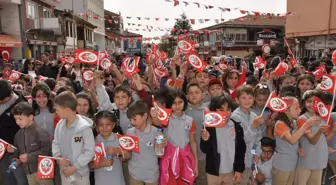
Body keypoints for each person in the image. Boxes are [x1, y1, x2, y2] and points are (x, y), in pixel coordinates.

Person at [152, 89, 198, 185]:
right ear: (169, 104)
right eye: (174, 103)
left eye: (180, 102)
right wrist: (154, 116)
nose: (177, 106)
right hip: (169, 160)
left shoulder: (190, 120)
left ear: (185, 102)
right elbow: (156, 122)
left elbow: (193, 141)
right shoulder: (166, 118)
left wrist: (196, 163)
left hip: (185, 159)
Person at [272, 96, 320, 185]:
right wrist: (306, 124)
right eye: (296, 108)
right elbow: (292, 140)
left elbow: (296, 140)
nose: (299, 110)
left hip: (291, 164)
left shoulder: (293, 123)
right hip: (282, 165)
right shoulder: (280, 124)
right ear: (286, 110)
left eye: (299, 107)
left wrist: (299, 147)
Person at [52, 91, 95, 185]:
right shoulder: (60, 125)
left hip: (81, 176)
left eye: (57, 109)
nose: (56, 112)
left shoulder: (85, 128)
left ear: (66, 110)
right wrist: (58, 157)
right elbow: (56, 143)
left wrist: (74, 167)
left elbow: (89, 151)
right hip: (65, 173)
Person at [201, 95, 245, 185]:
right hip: (213, 172)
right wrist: (206, 139)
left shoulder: (237, 127)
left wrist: (239, 169)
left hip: (231, 172)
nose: (225, 113)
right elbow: (204, 149)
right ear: (214, 111)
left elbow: (241, 150)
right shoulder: (209, 127)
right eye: (221, 110)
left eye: (228, 109)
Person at [8, 102, 53, 185]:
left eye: (20, 119)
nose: (17, 122)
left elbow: (48, 149)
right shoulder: (18, 134)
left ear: (30, 117)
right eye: (16, 119)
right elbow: (18, 151)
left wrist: (29, 157)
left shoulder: (39, 131)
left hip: (43, 172)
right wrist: (14, 156)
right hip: (29, 174)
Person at [230, 85, 264, 185]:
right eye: (243, 98)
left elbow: (258, 137)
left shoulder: (254, 116)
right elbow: (243, 140)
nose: (247, 100)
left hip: (251, 160)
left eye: (250, 97)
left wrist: (257, 152)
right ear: (237, 100)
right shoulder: (235, 117)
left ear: (254, 99)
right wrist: (253, 126)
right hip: (239, 162)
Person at [294, 90, 329, 185]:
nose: (312, 104)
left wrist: (332, 131)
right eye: (309, 101)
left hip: (319, 159)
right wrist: (320, 132)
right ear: (304, 103)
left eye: (315, 101)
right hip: (305, 160)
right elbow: (312, 140)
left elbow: (324, 139)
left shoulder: (324, 118)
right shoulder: (303, 119)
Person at [123, 100, 161, 185]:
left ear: (144, 116)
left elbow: (160, 155)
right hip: (134, 174)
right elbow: (128, 154)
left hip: (151, 175)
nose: (132, 122)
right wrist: (123, 154)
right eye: (130, 119)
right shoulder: (129, 132)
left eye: (134, 119)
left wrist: (159, 146)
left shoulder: (156, 132)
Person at [0, 79, 28, 185]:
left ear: (8, 97)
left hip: (13, 151)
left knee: (17, 179)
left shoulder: (20, 105)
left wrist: (17, 151)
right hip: (2, 150)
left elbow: (25, 130)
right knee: (5, 178)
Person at [89, 111, 125, 185]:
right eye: (101, 125)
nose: (105, 128)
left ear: (113, 125)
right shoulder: (92, 142)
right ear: (96, 127)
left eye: (108, 124)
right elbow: (89, 165)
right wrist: (101, 163)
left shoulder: (120, 139)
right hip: (100, 181)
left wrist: (117, 151)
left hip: (117, 181)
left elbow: (128, 156)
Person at [185, 83, 207, 185]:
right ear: (186, 96)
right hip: (186, 154)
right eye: (190, 93)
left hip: (202, 155)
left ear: (202, 95)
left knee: (202, 179)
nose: (194, 95)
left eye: (197, 92)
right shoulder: (183, 110)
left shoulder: (207, 111)